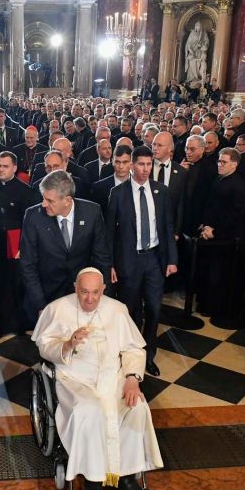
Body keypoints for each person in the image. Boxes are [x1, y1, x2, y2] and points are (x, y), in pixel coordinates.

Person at [32, 267, 163, 490]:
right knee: (89, 411)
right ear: (75, 288)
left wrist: (133, 379)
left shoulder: (117, 310)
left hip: (112, 379)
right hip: (75, 380)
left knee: (136, 407)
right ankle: (92, 486)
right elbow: (44, 347)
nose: (90, 299)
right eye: (84, 292)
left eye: (95, 293)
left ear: (104, 289)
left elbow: (135, 349)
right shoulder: (57, 309)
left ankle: (126, 479)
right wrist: (67, 343)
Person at [106, 145, 179, 376]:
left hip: (154, 260)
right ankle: (131, 357)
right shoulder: (118, 194)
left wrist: (172, 259)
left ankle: (148, 356)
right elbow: (109, 232)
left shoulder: (162, 191)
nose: (146, 169)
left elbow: (168, 227)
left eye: (149, 164)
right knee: (131, 312)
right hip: (129, 261)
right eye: (141, 164)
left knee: (155, 309)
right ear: (132, 165)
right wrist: (110, 265)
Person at [19, 170, 110, 318]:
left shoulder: (92, 212)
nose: (43, 204)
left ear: (67, 200)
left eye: (50, 200)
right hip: (47, 297)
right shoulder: (33, 216)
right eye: (44, 198)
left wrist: (102, 296)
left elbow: (102, 258)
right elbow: (27, 264)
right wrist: (41, 305)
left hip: (82, 296)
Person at [0, 151, 35, 338]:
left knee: (17, 284)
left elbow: (28, 222)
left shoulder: (26, 191)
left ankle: (19, 322)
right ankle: (0, 323)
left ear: (14, 168)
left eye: (5, 166)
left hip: (16, 243)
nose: (1, 169)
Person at [195, 147, 245, 319]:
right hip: (209, 233)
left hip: (224, 239)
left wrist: (215, 232)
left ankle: (212, 307)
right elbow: (210, 204)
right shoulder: (219, 179)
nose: (219, 164)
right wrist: (205, 224)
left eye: (223, 162)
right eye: (219, 160)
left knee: (216, 275)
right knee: (205, 271)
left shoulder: (238, 186)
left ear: (234, 164)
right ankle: (203, 303)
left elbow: (235, 216)